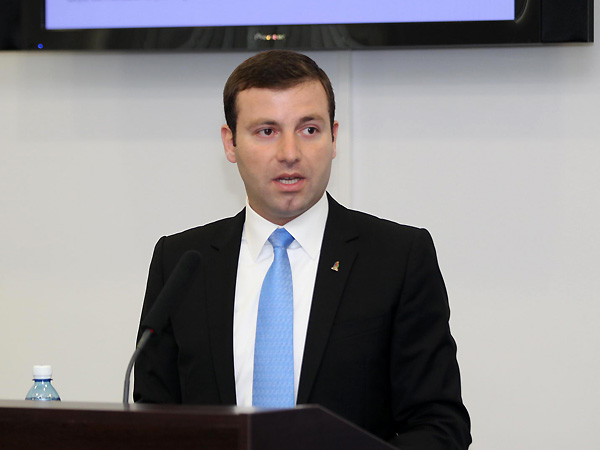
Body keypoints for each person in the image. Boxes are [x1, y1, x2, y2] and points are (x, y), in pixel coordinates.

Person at [134, 50, 471, 449]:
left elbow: (440, 427)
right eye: (267, 131)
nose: (290, 153)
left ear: (334, 137)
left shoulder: (398, 258)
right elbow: (152, 422)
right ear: (230, 142)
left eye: (309, 129)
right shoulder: (182, 262)